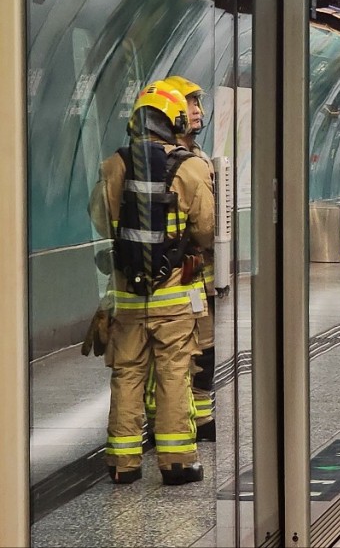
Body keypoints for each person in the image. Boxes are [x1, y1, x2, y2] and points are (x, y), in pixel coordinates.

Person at [90, 80, 214, 485]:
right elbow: (208, 231)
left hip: (127, 297)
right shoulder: (192, 167)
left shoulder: (113, 166)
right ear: (174, 118)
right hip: (174, 296)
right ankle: (176, 463)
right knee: (174, 372)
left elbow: (98, 220)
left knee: (126, 373)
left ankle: (122, 464)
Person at [154, 75, 217, 442]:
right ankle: (181, 424)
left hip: (200, 277)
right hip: (181, 276)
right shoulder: (180, 162)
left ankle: (201, 417)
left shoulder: (198, 156)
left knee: (203, 351)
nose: (197, 111)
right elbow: (206, 227)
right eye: (190, 103)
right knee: (183, 354)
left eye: (198, 103)